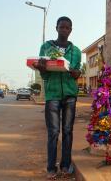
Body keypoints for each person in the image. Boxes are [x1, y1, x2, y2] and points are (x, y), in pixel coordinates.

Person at [33, 16, 81, 179]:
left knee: (68, 131)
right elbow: (45, 75)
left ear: (71, 30)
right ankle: (51, 168)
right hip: (52, 94)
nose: (64, 30)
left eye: (67, 28)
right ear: (56, 28)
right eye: (61, 27)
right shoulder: (46, 47)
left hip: (70, 95)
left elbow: (76, 72)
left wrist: (76, 73)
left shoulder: (76, 51)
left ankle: (66, 165)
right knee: (53, 132)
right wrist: (41, 68)